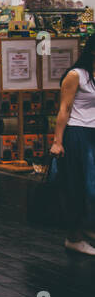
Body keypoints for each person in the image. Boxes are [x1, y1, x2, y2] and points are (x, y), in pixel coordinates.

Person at [50, 35, 95, 255]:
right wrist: (57, 141)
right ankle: (74, 236)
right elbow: (64, 109)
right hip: (78, 133)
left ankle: (87, 228)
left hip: (93, 133)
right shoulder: (76, 76)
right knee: (80, 184)